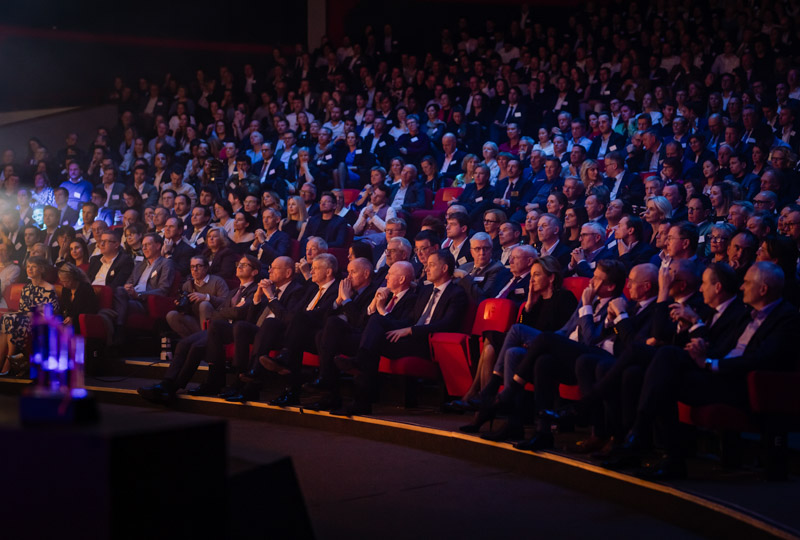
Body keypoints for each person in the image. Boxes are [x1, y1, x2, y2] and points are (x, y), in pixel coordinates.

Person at [605, 263, 799, 479]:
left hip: (743, 384)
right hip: (717, 373)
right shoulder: (748, 314)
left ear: (763, 289)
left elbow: (763, 359)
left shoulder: (786, 318)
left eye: (746, 283)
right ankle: (667, 456)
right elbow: (722, 347)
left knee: (665, 359)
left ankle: (640, 435)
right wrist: (702, 350)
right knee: (661, 371)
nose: (741, 287)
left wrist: (709, 362)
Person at [339, 250, 469, 415]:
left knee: (373, 339)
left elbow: (448, 324)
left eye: (431, 265)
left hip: (426, 342)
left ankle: (361, 388)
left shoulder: (457, 293)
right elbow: (410, 312)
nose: (426, 269)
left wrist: (412, 330)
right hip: (408, 337)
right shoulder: (425, 291)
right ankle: (361, 399)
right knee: (374, 331)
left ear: (444, 269)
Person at [137, 255, 261, 402]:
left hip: (236, 332)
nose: (239, 267)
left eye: (244, 265)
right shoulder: (234, 291)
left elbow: (239, 313)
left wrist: (227, 312)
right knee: (183, 344)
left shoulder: (257, 290)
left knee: (196, 346)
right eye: (238, 264)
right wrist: (229, 311)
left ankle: (172, 387)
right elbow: (216, 314)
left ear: (254, 272)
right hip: (218, 329)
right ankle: (166, 383)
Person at [0, 257, 59, 377]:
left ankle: (7, 364)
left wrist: (33, 314)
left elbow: (52, 312)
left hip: (39, 321)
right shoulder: (26, 288)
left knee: (12, 320)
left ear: (41, 269)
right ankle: (4, 362)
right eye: (28, 266)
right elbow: (22, 309)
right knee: (7, 318)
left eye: (33, 266)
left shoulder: (49, 288)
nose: (30, 269)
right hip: (23, 320)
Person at [112, 233, 176, 336]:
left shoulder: (166, 263)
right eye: (143, 245)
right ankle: (118, 332)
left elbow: (163, 290)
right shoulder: (140, 264)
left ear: (158, 246)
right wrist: (127, 287)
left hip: (145, 302)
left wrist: (139, 295)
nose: (144, 248)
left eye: (148, 245)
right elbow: (129, 282)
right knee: (119, 291)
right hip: (130, 296)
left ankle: (118, 330)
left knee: (118, 305)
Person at [166, 255, 230, 337]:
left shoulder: (217, 281)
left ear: (206, 268)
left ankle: (206, 339)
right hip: (194, 321)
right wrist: (180, 304)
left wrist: (206, 297)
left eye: (198, 266)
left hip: (213, 321)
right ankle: (190, 339)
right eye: (192, 267)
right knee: (171, 315)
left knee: (204, 304)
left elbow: (226, 302)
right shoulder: (187, 285)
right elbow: (187, 311)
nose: (195, 269)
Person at [57, 262, 98, 333]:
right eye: (62, 281)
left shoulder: (86, 288)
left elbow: (91, 310)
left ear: (74, 278)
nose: (64, 285)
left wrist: (73, 319)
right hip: (68, 325)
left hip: (82, 324)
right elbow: (63, 308)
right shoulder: (65, 289)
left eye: (66, 281)